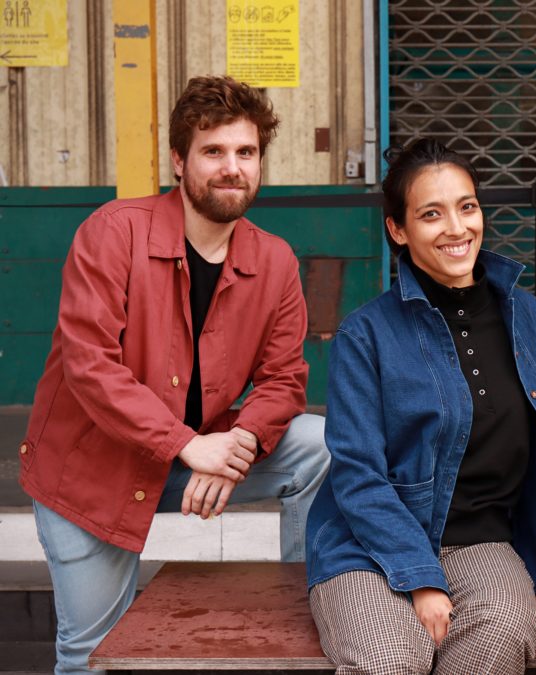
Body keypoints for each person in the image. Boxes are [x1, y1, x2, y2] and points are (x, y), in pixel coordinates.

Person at [18, 75, 330, 674]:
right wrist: (189, 446)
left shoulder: (275, 259)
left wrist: (238, 445)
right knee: (90, 655)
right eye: (213, 152)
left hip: (202, 455)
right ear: (179, 159)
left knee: (320, 446)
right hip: (93, 470)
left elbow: (285, 377)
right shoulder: (114, 233)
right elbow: (90, 366)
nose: (231, 168)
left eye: (246, 153)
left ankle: (313, 594)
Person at [304, 138, 536, 675]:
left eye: (467, 207)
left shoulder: (523, 314)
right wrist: (420, 575)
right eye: (431, 214)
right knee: (390, 659)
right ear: (399, 230)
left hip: (480, 540)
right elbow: (357, 474)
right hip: (367, 548)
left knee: (506, 631)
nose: (456, 228)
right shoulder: (365, 334)